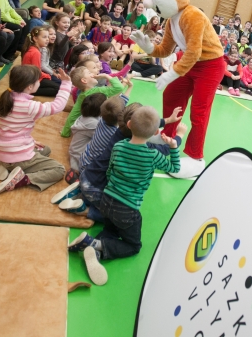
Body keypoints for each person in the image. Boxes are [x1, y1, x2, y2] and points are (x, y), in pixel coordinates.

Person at [67, 106, 180, 286]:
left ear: (128, 124)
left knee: (112, 229)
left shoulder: (118, 146)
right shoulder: (153, 155)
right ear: (155, 133)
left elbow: (110, 170)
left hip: (106, 200)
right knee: (133, 246)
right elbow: (175, 168)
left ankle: (95, 244)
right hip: (127, 209)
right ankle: (97, 246)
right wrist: (174, 146)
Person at [0, 65, 70, 195]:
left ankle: (4, 165)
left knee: (45, 149)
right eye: (38, 81)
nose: (40, 82)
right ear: (29, 87)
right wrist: (66, 84)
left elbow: (13, 129)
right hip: (18, 156)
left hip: (4, 151)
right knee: (59, 170)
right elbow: (57, 106)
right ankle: (22, 179)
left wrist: (31, 142)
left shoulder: (5, 99)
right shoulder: (29, 106)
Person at [61, 66, 127, 137]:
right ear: (84, 80)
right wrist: (106, 76)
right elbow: (119, 87)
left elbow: (73, 115)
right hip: (102, 123)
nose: (93, 74)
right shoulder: (98, 91)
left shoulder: (82, 95)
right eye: (89, 73)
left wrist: (65, 133)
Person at [67, 93, 106, 175]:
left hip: (75, 153)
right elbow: (105, 136)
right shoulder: (93, 123)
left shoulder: (87, 116)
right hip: (79, 158)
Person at [21, 26, 60, 97]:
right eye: (44, 37)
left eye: (47, 37)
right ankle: (27, 90)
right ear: (35, 39)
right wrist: (47, 76)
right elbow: (37, 72)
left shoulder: (33, 49)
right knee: (57, 88)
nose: (47, 39)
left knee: (56, 83)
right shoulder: (36, 52)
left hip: (30, 77)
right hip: (30, 79)